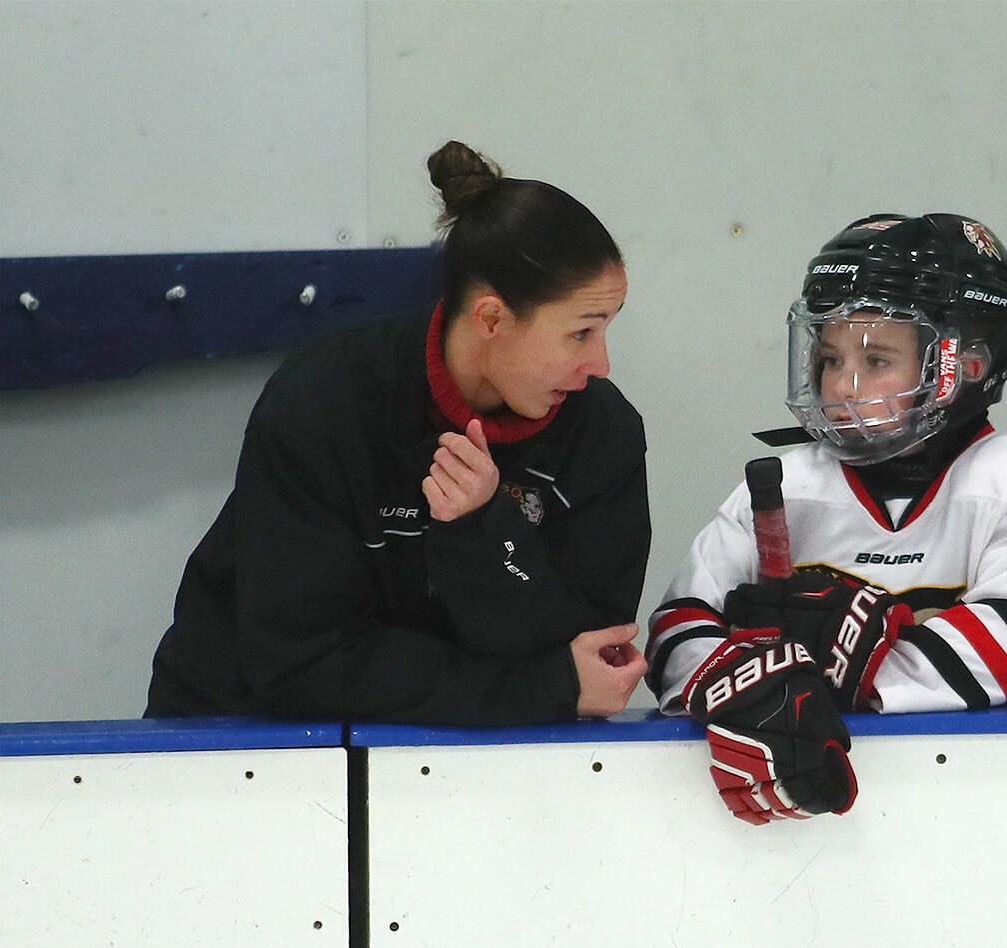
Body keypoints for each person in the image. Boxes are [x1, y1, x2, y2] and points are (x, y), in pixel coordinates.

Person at [146, 141, 651, 724]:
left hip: (476, 750)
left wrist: (486, 532)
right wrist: (540, 688)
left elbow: (587, 653)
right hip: (245, 736)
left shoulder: (603, 432)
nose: (601, 365)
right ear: (490, 318)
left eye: (607, 327)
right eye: (581, 333)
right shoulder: (323, 404)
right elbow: (303, 661)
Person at [647, 213, 1007, 824]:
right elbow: (673, 634)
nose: (843, 386)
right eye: (829, 358)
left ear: (968, 365)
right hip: (790, 818)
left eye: (877, 361)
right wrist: (759, 690)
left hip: (969, 812)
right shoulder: (787, 483)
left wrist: (788, 680)